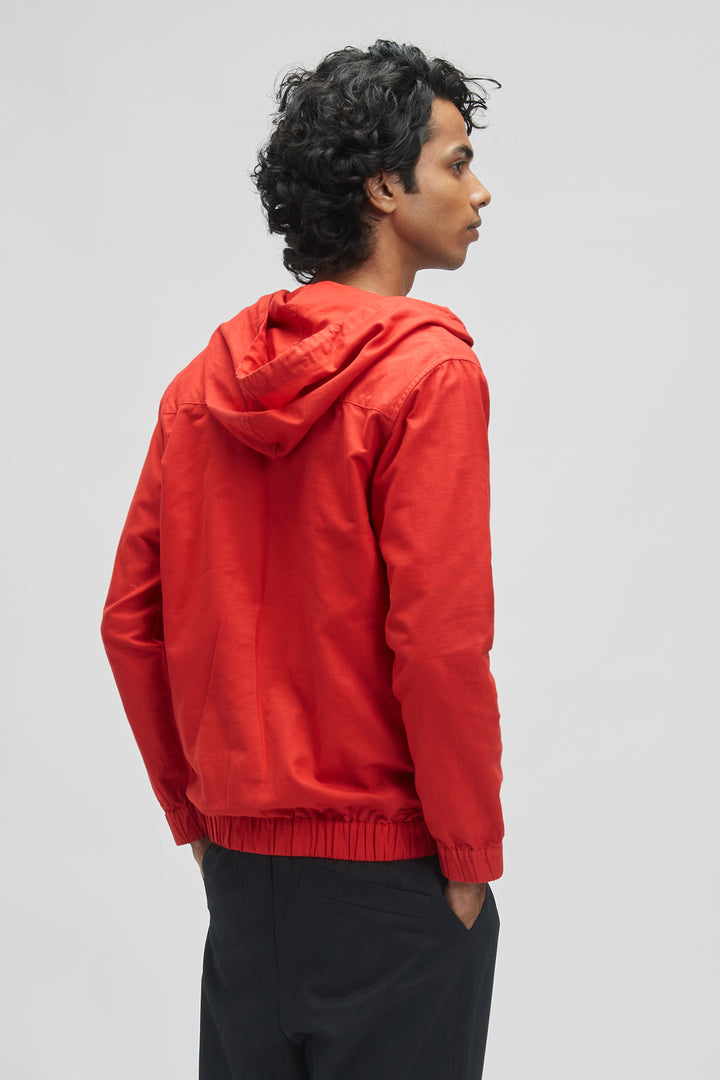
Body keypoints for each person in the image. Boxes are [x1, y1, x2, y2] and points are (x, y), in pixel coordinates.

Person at [101, 39, 504, 1080]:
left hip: (244, 880)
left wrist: (197, 817)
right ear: (384, 187)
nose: (479, 191)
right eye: (457, 162)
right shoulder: (428, 372)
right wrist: (468, 856)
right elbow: (439, 641)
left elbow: (130, 621)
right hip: (395, 878)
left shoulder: (200, 385)